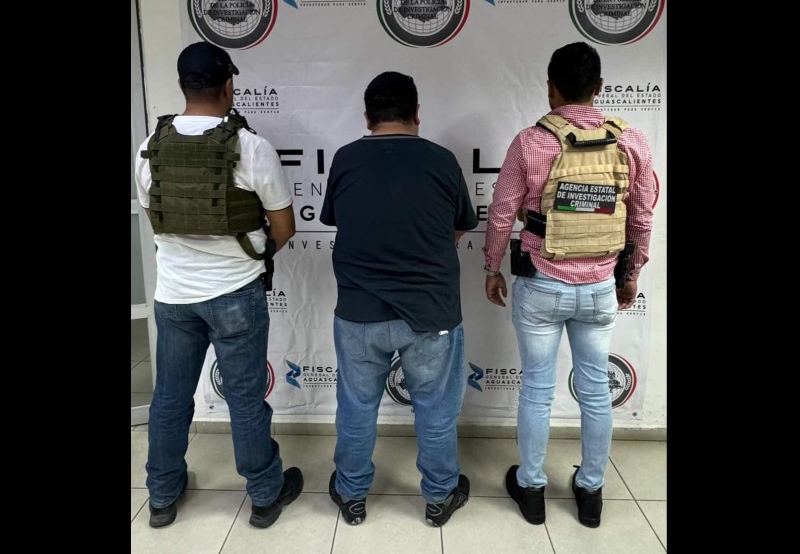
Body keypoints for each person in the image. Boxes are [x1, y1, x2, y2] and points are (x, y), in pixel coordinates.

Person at [482, 42, 654, 528]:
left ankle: (532, 490)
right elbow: (641, 218)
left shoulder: (529, 142)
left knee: (537, 390)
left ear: (550, 89)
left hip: (542, 283)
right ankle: (591, 492)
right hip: (600, 286)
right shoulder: (632, 142)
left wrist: (492, 267)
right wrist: (631, 275)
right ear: (599, 87)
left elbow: (501, 214)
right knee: (596, 391)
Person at [134, 41, 303, 529]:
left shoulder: (149, 146)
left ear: (182, 85)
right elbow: (284, 228)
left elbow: (155, 219)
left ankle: (162, 497)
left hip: (173, 296)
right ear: (229, 86)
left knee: (170, 398)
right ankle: (265, 496)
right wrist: (249, 256)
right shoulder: (251, 147)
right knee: (245, 400)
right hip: (235, 295)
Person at [320, 71, 478, 527]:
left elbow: (338, 219)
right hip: (430, 312)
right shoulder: (442, 160)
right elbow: (460, 224)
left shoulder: (346, 159)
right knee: (435, 410)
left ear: (367, 116)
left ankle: (351, 494)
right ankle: (439, 496)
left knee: (356, 407)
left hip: (359, 312)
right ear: (417, 114)